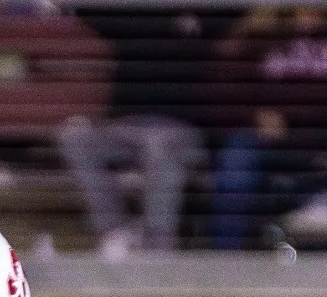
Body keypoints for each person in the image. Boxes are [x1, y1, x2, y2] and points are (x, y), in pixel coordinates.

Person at [207, 4, 327, 258]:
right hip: (267, 143)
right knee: (238, 156)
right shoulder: (266, 32)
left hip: (324, 144)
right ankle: (226, 261)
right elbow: (223, 77)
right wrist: (255, 114)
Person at [58, 8, 217, 258]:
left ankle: (157, 247)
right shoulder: (132, 13)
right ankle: (113, 234)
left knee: (161, 145)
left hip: (179, 131)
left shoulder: (205, 17)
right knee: (75, 138)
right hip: (125, 129)